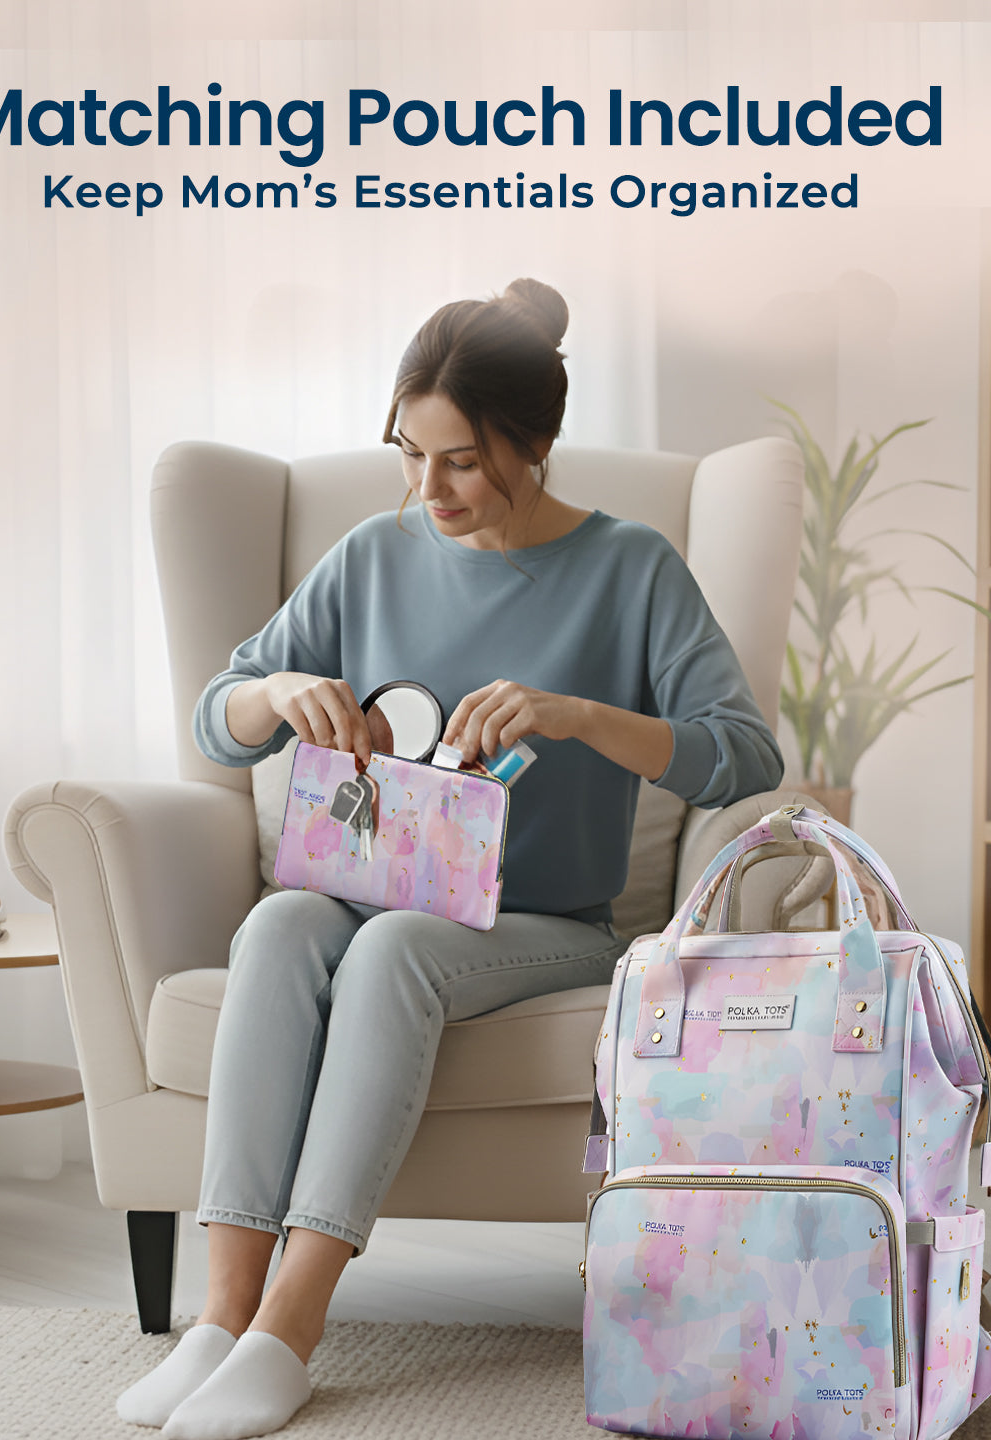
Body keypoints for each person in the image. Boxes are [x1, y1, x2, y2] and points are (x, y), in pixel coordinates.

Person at [116, 278, 784, 1440]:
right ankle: (219, 1322)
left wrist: (578, 716)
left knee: (393, 954)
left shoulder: (632, 569)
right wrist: (280, 690)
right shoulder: (370, 556)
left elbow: (743, 756)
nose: (428, 491)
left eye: (462, 462)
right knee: (279, 924)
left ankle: (289, 1331)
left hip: (546, 924)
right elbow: (217, 718)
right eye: (409, 455)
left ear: (534, 444)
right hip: (364, 888)